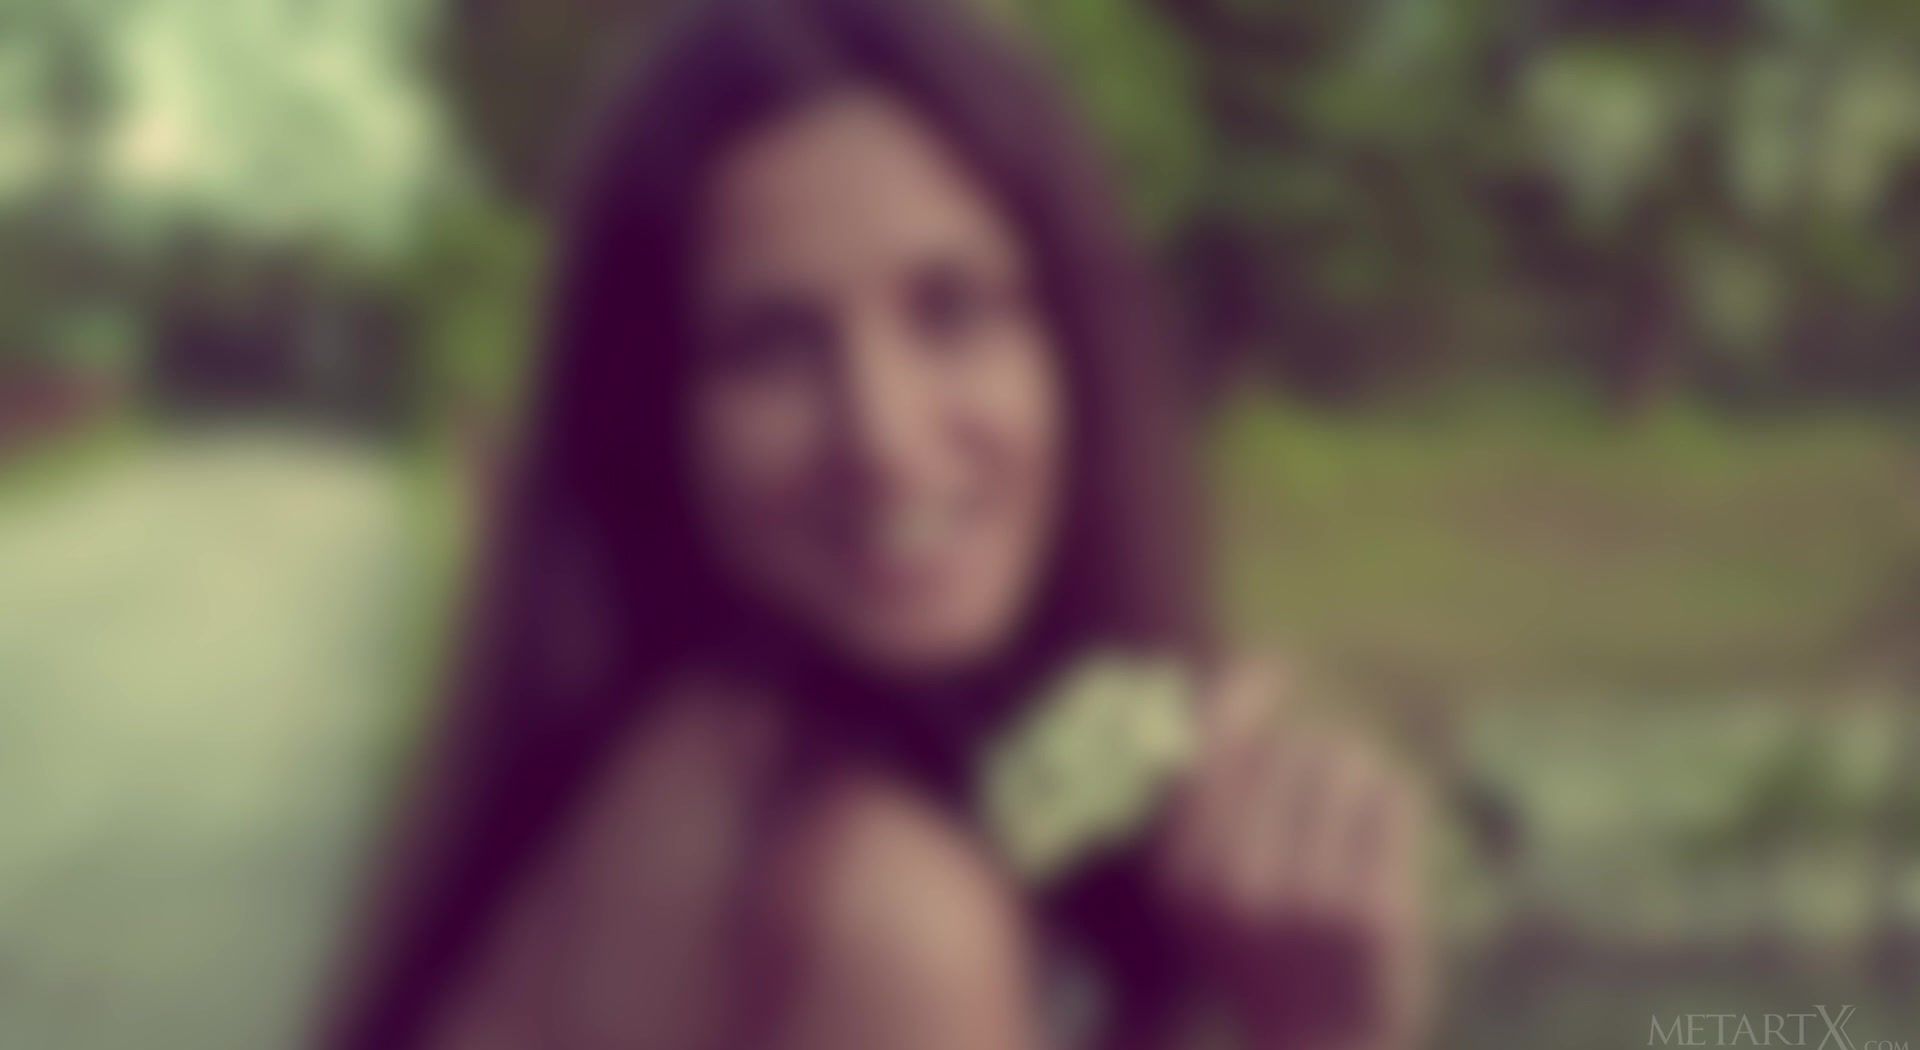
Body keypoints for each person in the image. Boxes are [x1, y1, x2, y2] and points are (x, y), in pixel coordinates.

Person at [324, 0, 1427, 1046]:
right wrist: (1326, 1035)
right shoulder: (874, 910)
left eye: (951, 309)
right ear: (653, 415)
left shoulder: (669, 754)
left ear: (1067, 344)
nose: (884, 437)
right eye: (771, 346)